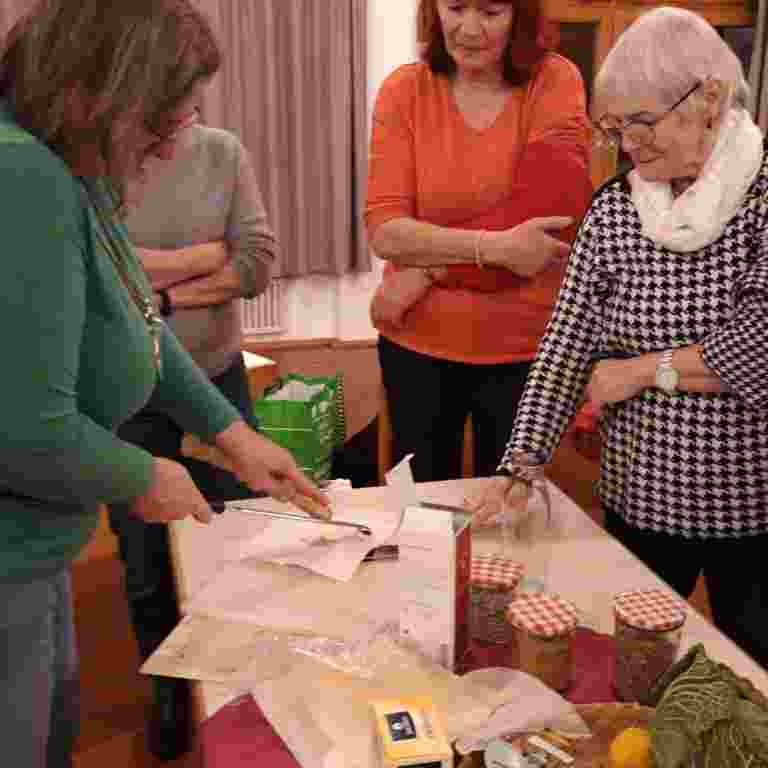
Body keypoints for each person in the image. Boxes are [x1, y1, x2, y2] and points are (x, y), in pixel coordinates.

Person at [0, 2, 326, 767]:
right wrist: (144, 474)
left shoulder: (68, 167)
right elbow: (24, 426)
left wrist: (233, 435)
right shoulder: (23, 178)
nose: (176, 142)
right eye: (162, 120)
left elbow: (138, 317)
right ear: (103, 94)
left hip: (33, 553)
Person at [470, 6, 768, 668]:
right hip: (638, 496)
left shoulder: (762, 201)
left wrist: (639, 371)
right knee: (632, 670)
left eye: (642, 123)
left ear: (710, 98)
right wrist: (521, 462)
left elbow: (759, 347)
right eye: (614, 127)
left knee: (752, 673)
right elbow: (566, 345)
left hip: (752, 509)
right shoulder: (615, 210)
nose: (628, 144)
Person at [365, 0, 592, 483]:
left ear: (520, 16)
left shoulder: (555, 80)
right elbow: (385, 230)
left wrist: (430, 268)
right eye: (455, 7)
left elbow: (544, 228)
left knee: (509, 509)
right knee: (424, 508)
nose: (469, 29)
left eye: (490, 12)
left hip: (524, 352)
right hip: (416, 345)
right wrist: (497, 247)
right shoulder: (404, 90)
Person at [107, 119, 277, 759]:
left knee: (234, 534)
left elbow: (254, 265)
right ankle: (170, 690)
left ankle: (232, 684)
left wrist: (158, 292)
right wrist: (204, 257)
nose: (179, 116)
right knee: (145, 554)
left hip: (216, 376)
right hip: (127, 389)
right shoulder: (100, 152)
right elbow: (106, 267)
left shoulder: (223, 151)